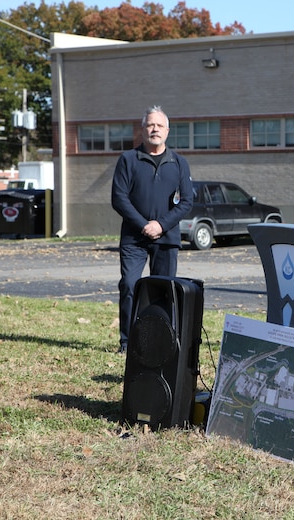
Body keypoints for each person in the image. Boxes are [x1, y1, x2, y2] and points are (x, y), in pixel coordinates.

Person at [111, 106, 194, 354]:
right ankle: (127, 342)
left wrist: (161, 224)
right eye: (150, 125)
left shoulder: (179, 163)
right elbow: (119, 198)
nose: (154, 129)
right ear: (142, 129)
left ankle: (160, 340)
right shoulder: (127, 160)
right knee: (129, 285)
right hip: (134, 238)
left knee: (164, 291)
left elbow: (187, 201)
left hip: (167, 238)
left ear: (167, 131)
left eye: (159, 125)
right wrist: (144, 225)